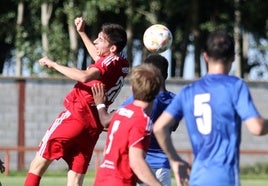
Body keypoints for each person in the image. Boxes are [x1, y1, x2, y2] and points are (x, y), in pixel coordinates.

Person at [153, 30, 268, 186]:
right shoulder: (235, 86)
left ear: (205, 56)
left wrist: (175, 160)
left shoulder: (189, 91)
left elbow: (159, 127)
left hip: (197, 178)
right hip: (225, 177)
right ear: (233, 57)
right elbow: (257, 128)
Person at [24, 17, 129, 186]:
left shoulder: (108, 62)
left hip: (76, 116)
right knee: (75, 179)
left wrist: (54, 64)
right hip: (92, 126)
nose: (95, 41)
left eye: (100, 39)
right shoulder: (121, 61)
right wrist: (81, 33)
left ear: (112, 48)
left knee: (37, 164)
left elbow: (85, 76)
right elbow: (99, 57)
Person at [93, 64, 163, 186]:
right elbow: (136, 162)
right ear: (158, 90)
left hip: (102, 179)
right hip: (120, 182)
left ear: (132, 88)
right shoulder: (141, 119)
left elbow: (107, 152)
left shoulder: (120, 113)